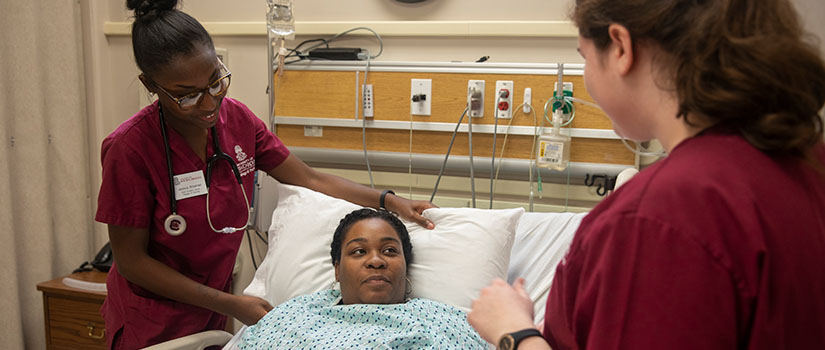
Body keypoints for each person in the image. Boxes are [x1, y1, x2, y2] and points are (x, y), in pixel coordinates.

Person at [468, 0, 825, 349]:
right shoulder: (807, 165)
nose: (586, 75)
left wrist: (514, 332)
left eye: (584, 57)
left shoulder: (657, 217)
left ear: (621, 48)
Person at [94, 1, 436, 348]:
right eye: (187, 96)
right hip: (151, 320)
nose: (209, 104)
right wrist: (229, 303)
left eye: (215, 82)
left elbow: (310, 179)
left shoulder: (237, 121)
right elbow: (132, 262)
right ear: (150, 84)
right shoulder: (130, 149)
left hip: (214, 309)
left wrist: (389, 201)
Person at [233, 209, 487, 349]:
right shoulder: (291, 316)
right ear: (337, 269)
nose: (376, 261)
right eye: (358, 251)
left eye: (389, 251)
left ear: (406, 268)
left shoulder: (440, 322)